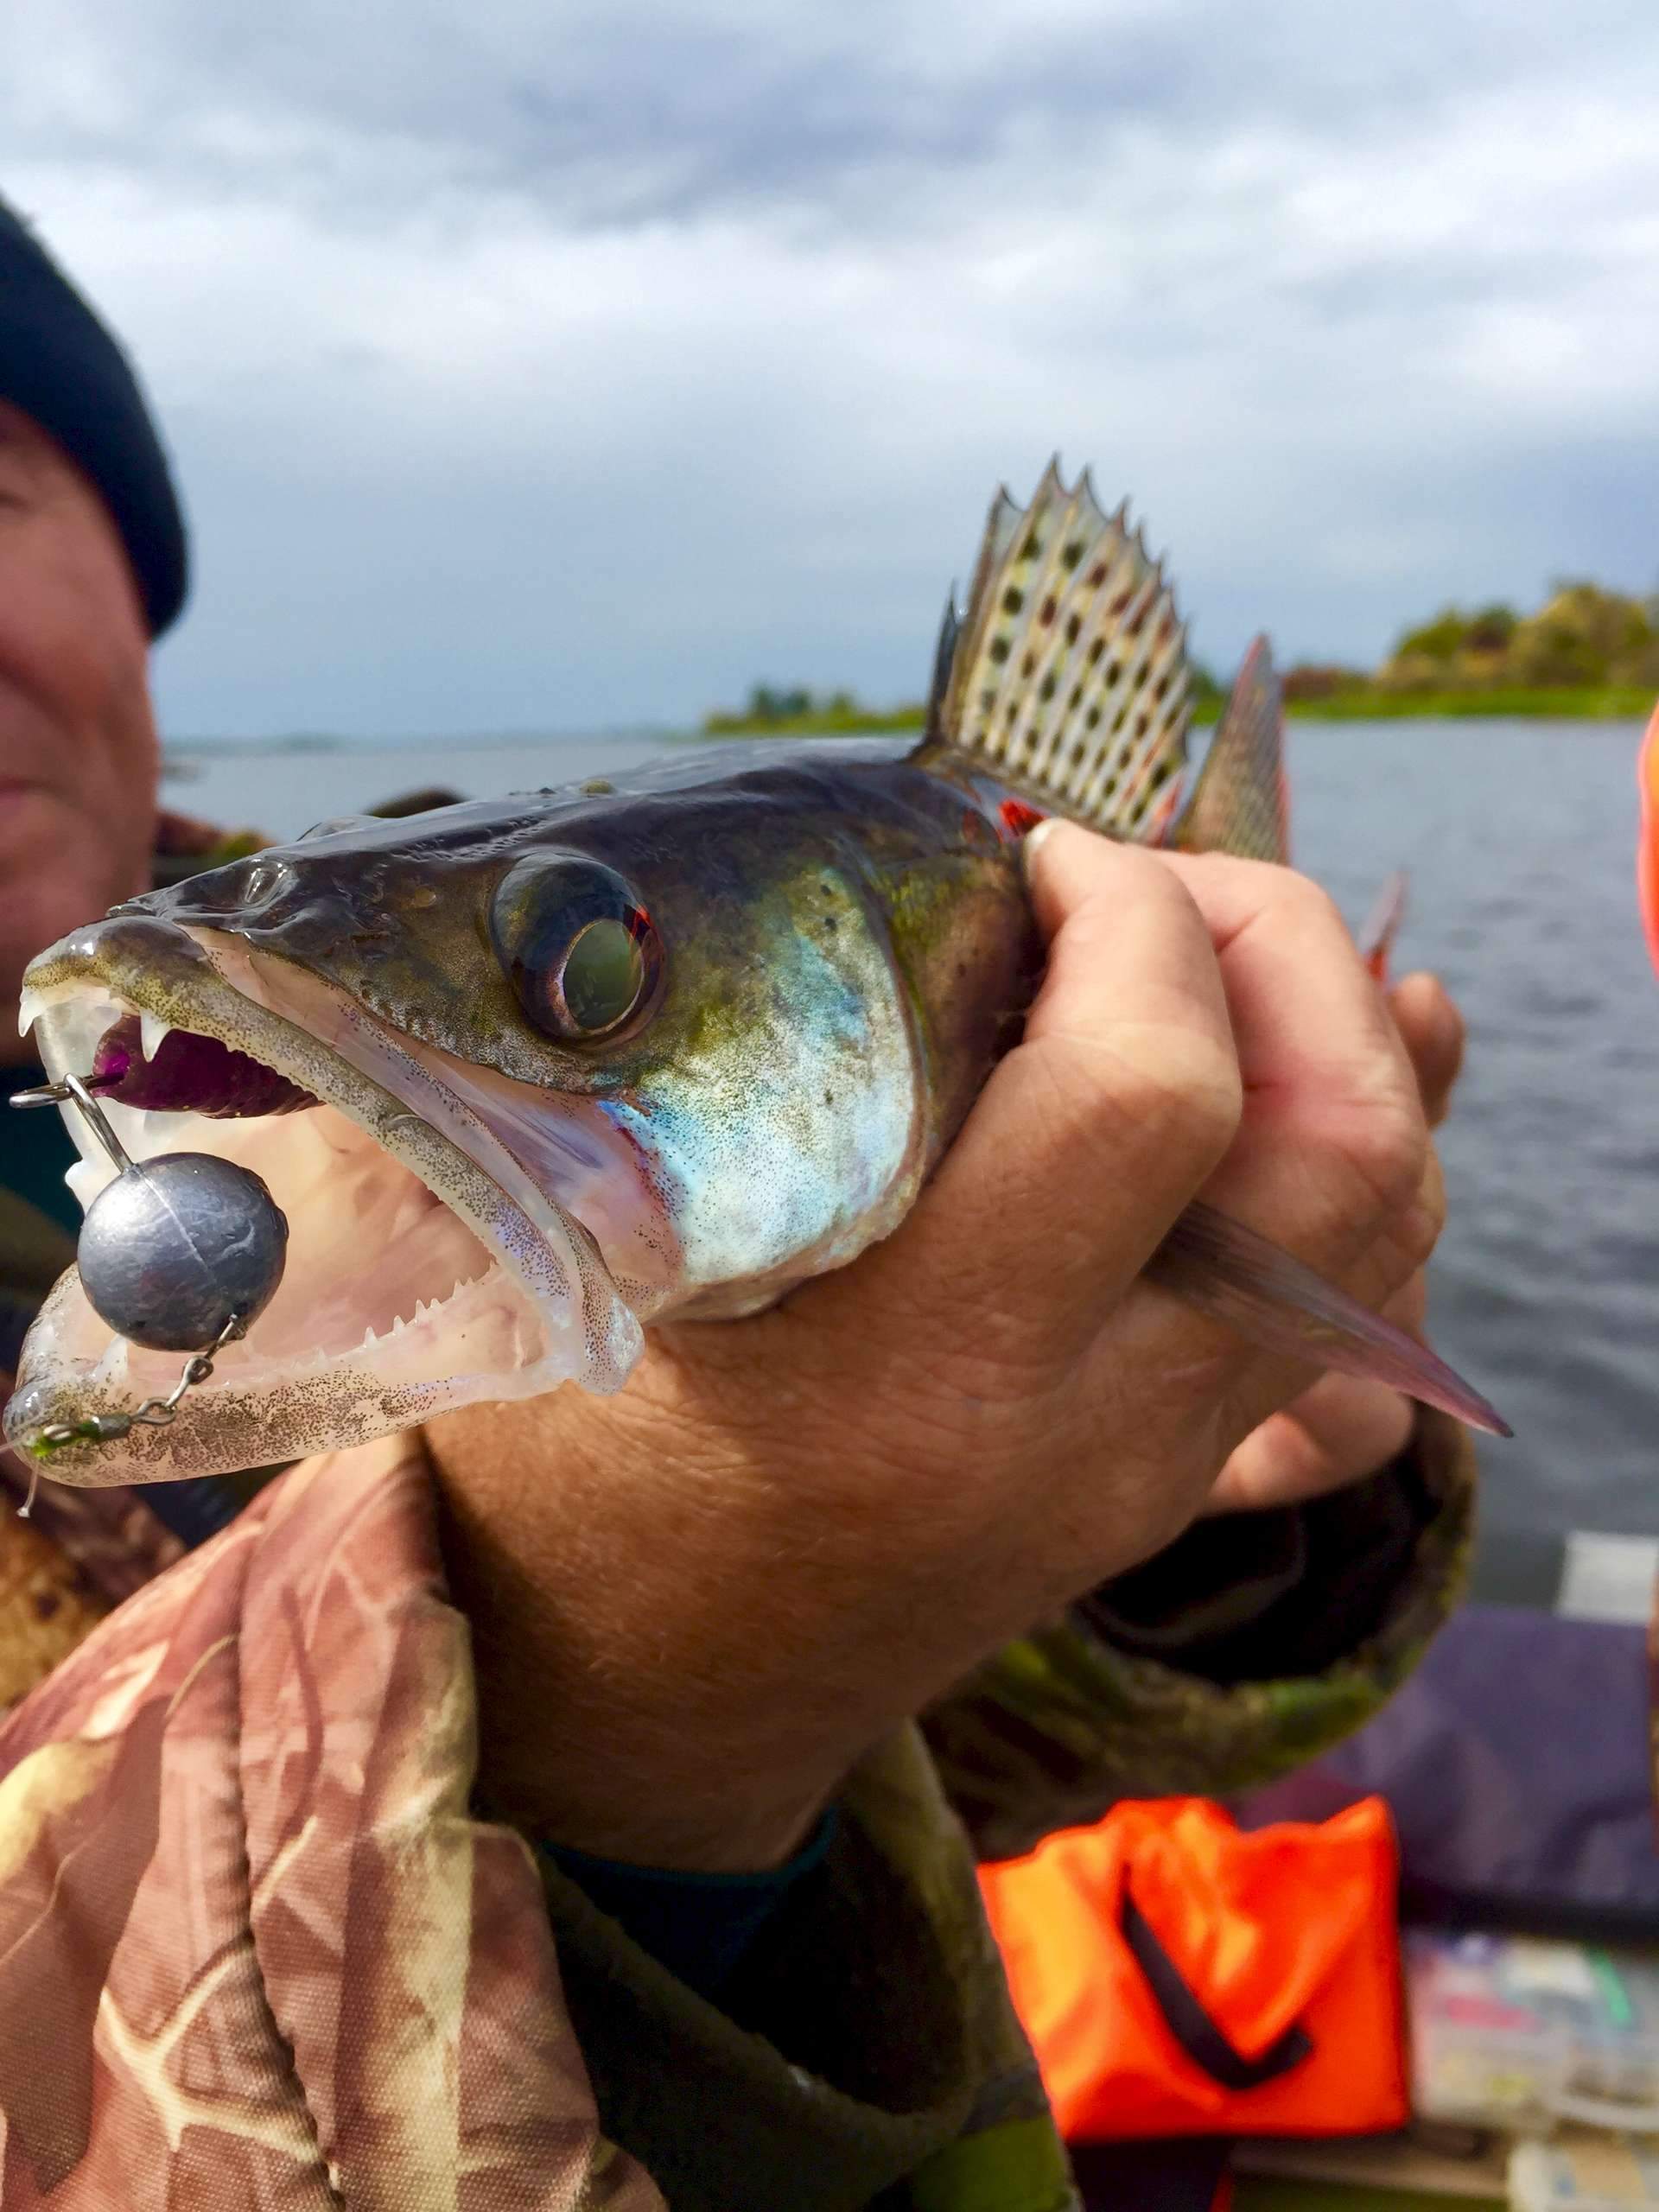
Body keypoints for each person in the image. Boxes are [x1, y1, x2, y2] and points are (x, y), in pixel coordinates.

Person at [0, 200, 1478, 2210]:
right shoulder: (360, 986)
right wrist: (623, 1672)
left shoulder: (369, 946)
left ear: (134, 560)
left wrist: (1199, 1514)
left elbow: (981, 1768)